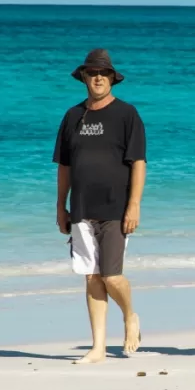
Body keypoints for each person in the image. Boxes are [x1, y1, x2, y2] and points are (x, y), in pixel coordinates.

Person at [52, 49, 146, 364]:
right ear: (83, 77)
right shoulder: (71, 116)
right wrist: (60, 206)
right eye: (92, 73)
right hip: (79, 207)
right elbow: (64, 166)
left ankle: (130, 315)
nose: (97, 78)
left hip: (116, 208)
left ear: (111, 79)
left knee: (111, 276)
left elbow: (139, 163)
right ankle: (98, 348)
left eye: (103, 74)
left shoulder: (127, 114)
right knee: (91, 276)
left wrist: (134, 205)